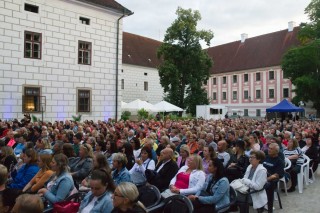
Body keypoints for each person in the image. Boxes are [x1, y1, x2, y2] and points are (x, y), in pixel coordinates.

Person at [262, 143, 284, 213]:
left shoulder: (279, 161)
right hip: (261, 177)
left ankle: (269, 208)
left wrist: (266, 180)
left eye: (271, 149)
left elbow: (276, 175)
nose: (269, 150)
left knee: (269, 185)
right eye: (269, 148)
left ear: (276, 151)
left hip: (271, 180)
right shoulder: (266, 157)